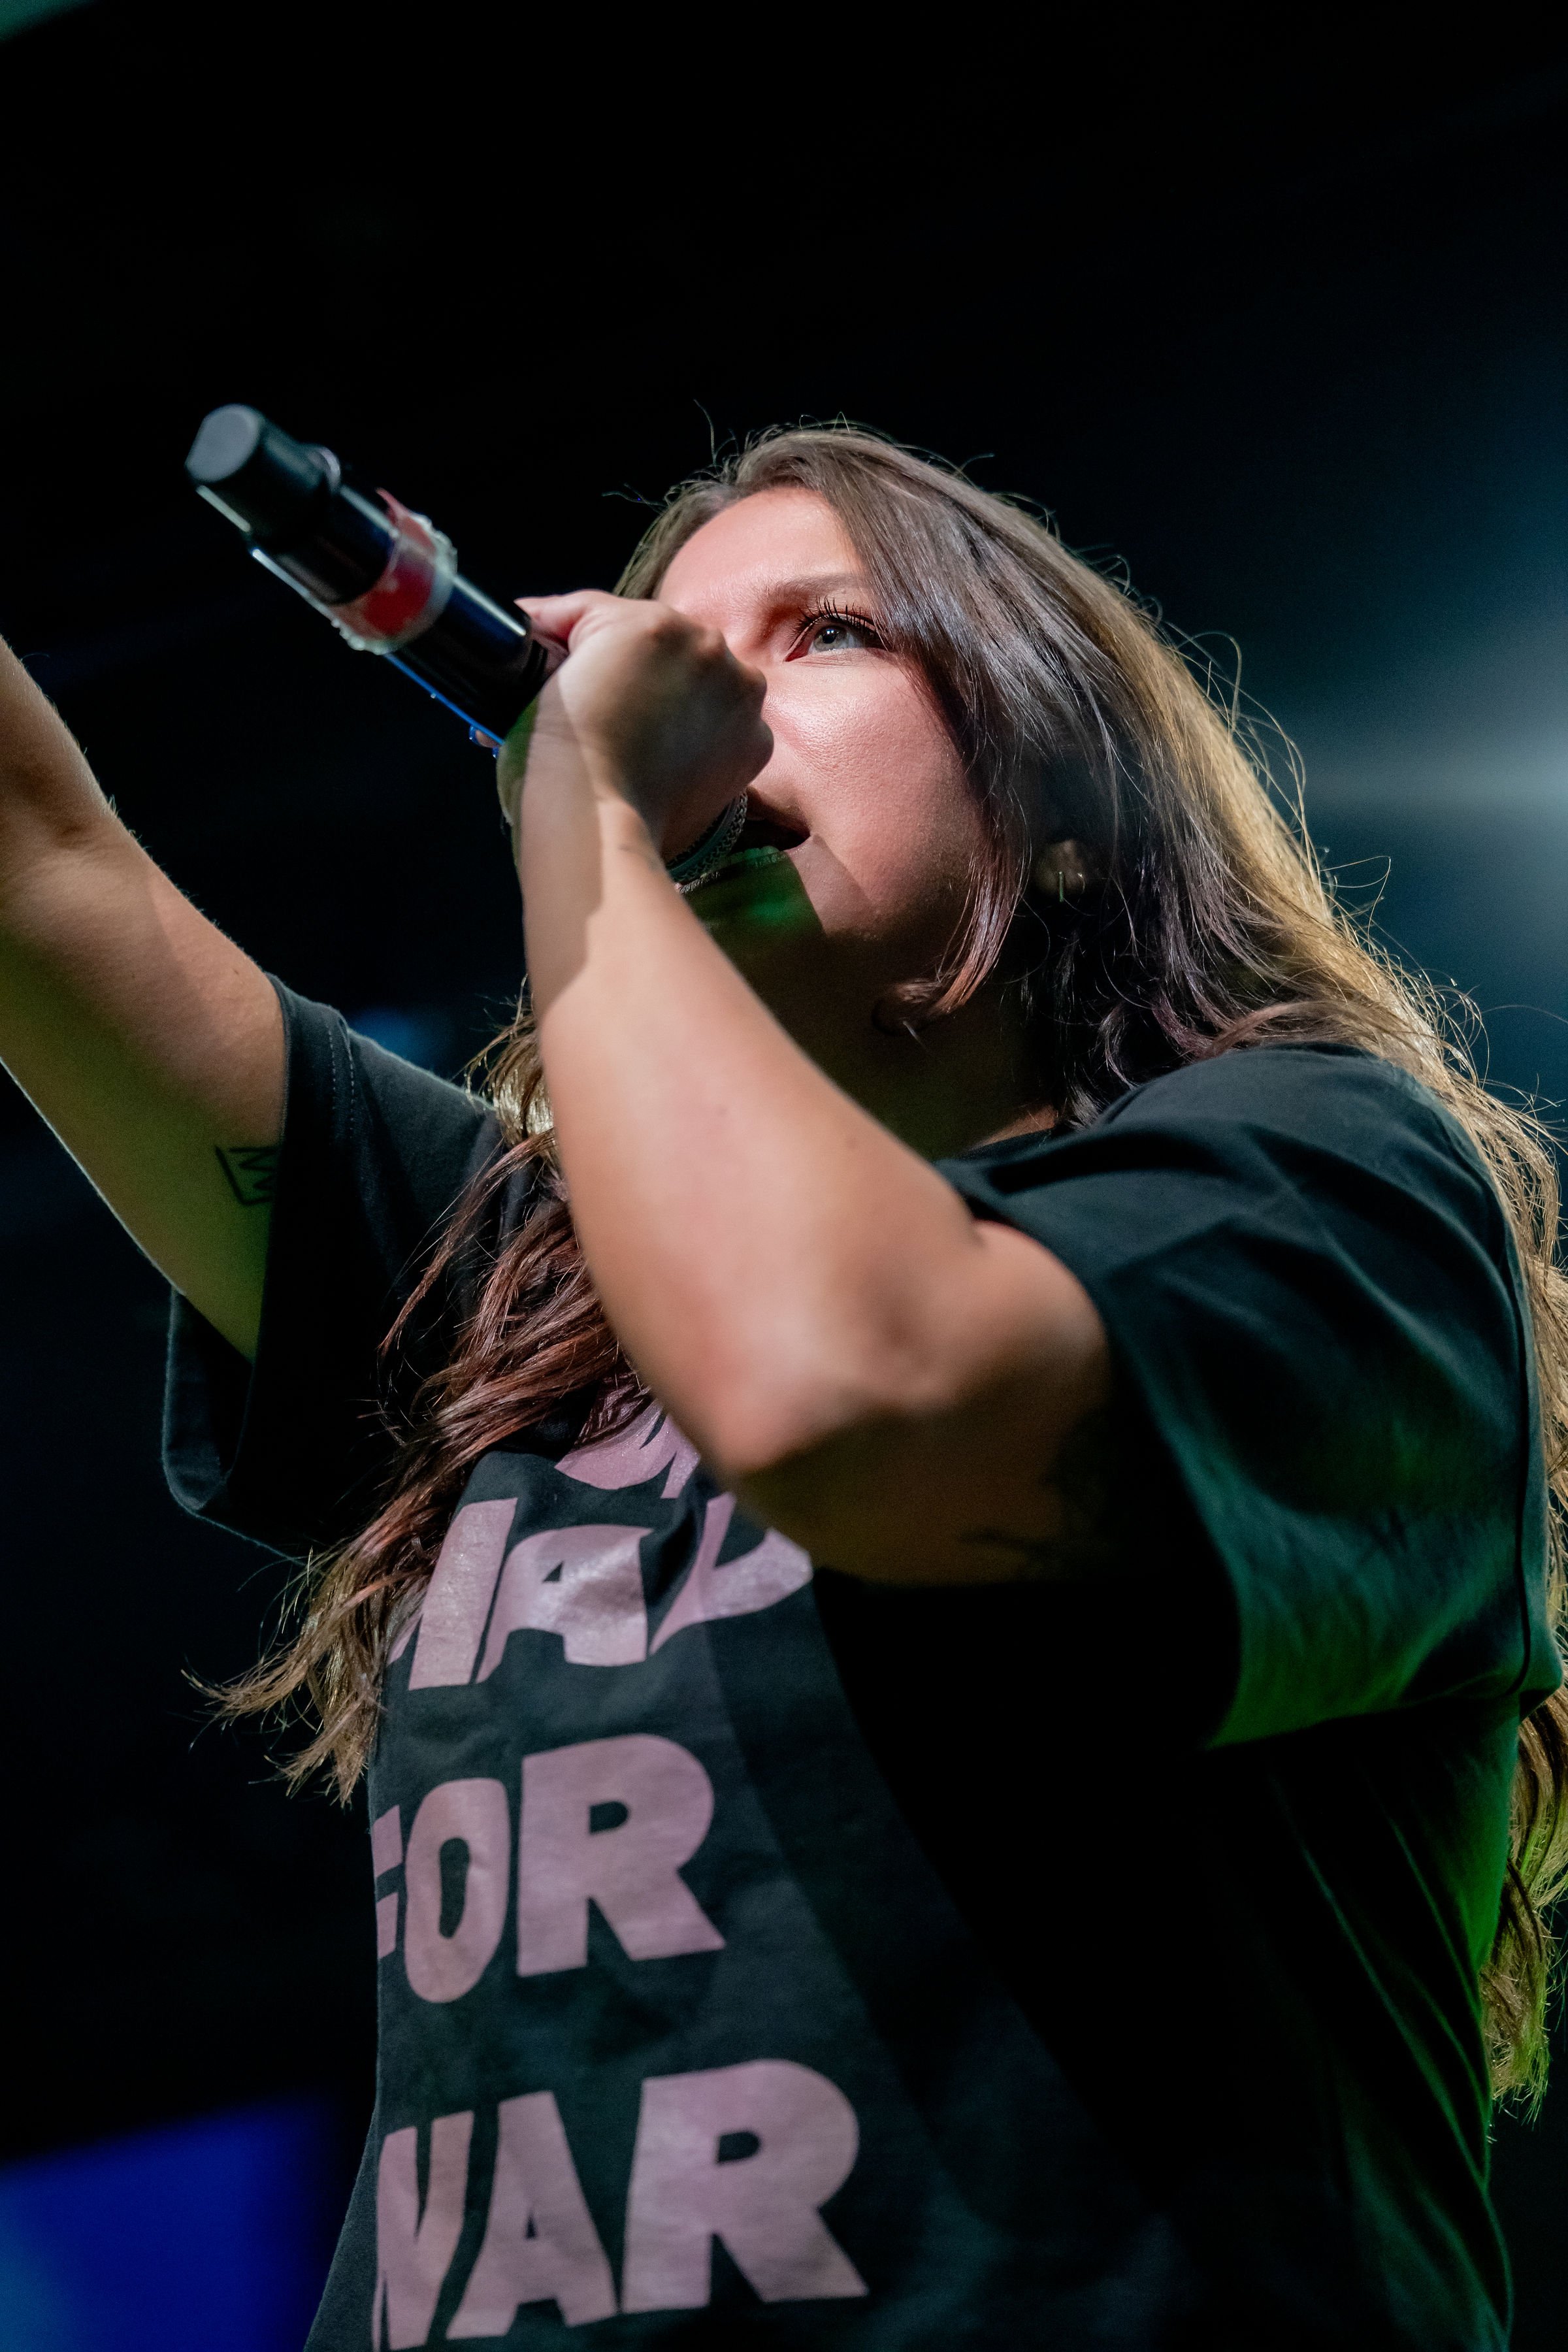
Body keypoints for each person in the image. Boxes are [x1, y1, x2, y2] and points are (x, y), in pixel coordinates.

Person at [2, 428, 1565, 2351]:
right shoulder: (523, 1292)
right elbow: (37, 870)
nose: (707, 697)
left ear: (1067, 804)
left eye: (826, 635)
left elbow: (853, 1394)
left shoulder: (1315, 1183)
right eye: (678, 645)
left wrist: (583, 810)